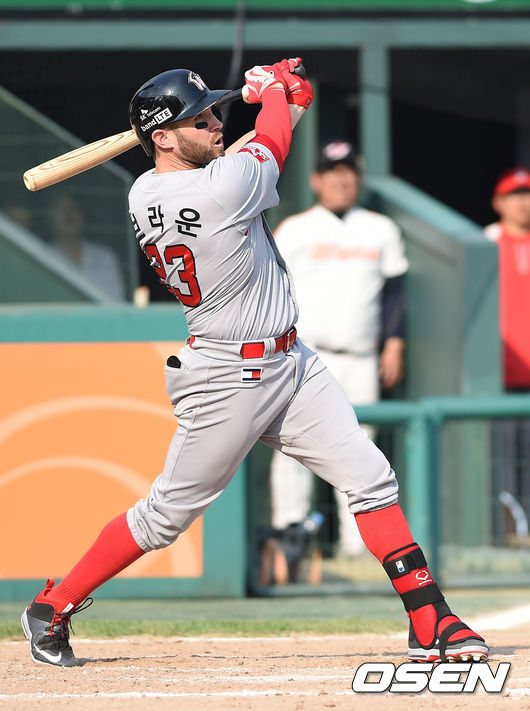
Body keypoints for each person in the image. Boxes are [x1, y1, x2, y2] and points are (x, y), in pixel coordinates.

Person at [21, 58, 488, 668]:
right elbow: (263, 146)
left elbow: (255, 147)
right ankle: (53, 606)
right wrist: (270, 93)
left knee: (371, 478)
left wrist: (289, 99)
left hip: (291, 362)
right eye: (201, 119)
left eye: (215, 113)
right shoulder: (218, 188)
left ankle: (430, 617)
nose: (216, 122)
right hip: (225, 375)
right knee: (165, 517)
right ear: (163, 138)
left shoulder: (151, 190)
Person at [270, 142, 407, 558]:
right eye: (331, 171)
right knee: (294, 447)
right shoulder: (295, 228)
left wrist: (394, 343)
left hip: (361, 357)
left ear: (358, 178)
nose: (340, 179)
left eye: (347, 170)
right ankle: (289, 542)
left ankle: (358, 549)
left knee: (363, 452)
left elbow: (394, 292)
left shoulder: (380, 228)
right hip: (307, 354)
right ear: (316, 180)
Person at [484, 167, 530, 531]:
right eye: (515, 195)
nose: (523, 203)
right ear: (498, 202)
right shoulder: (484, 242)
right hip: (499, 375)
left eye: (527, 194)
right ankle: (508, 532)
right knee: (502, 461)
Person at [48, 192, 126, 301]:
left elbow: (116, 301)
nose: (68, 215)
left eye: (73, 208)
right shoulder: (44, 258)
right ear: (50, 217)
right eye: (61, 209)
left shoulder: (105, 257)